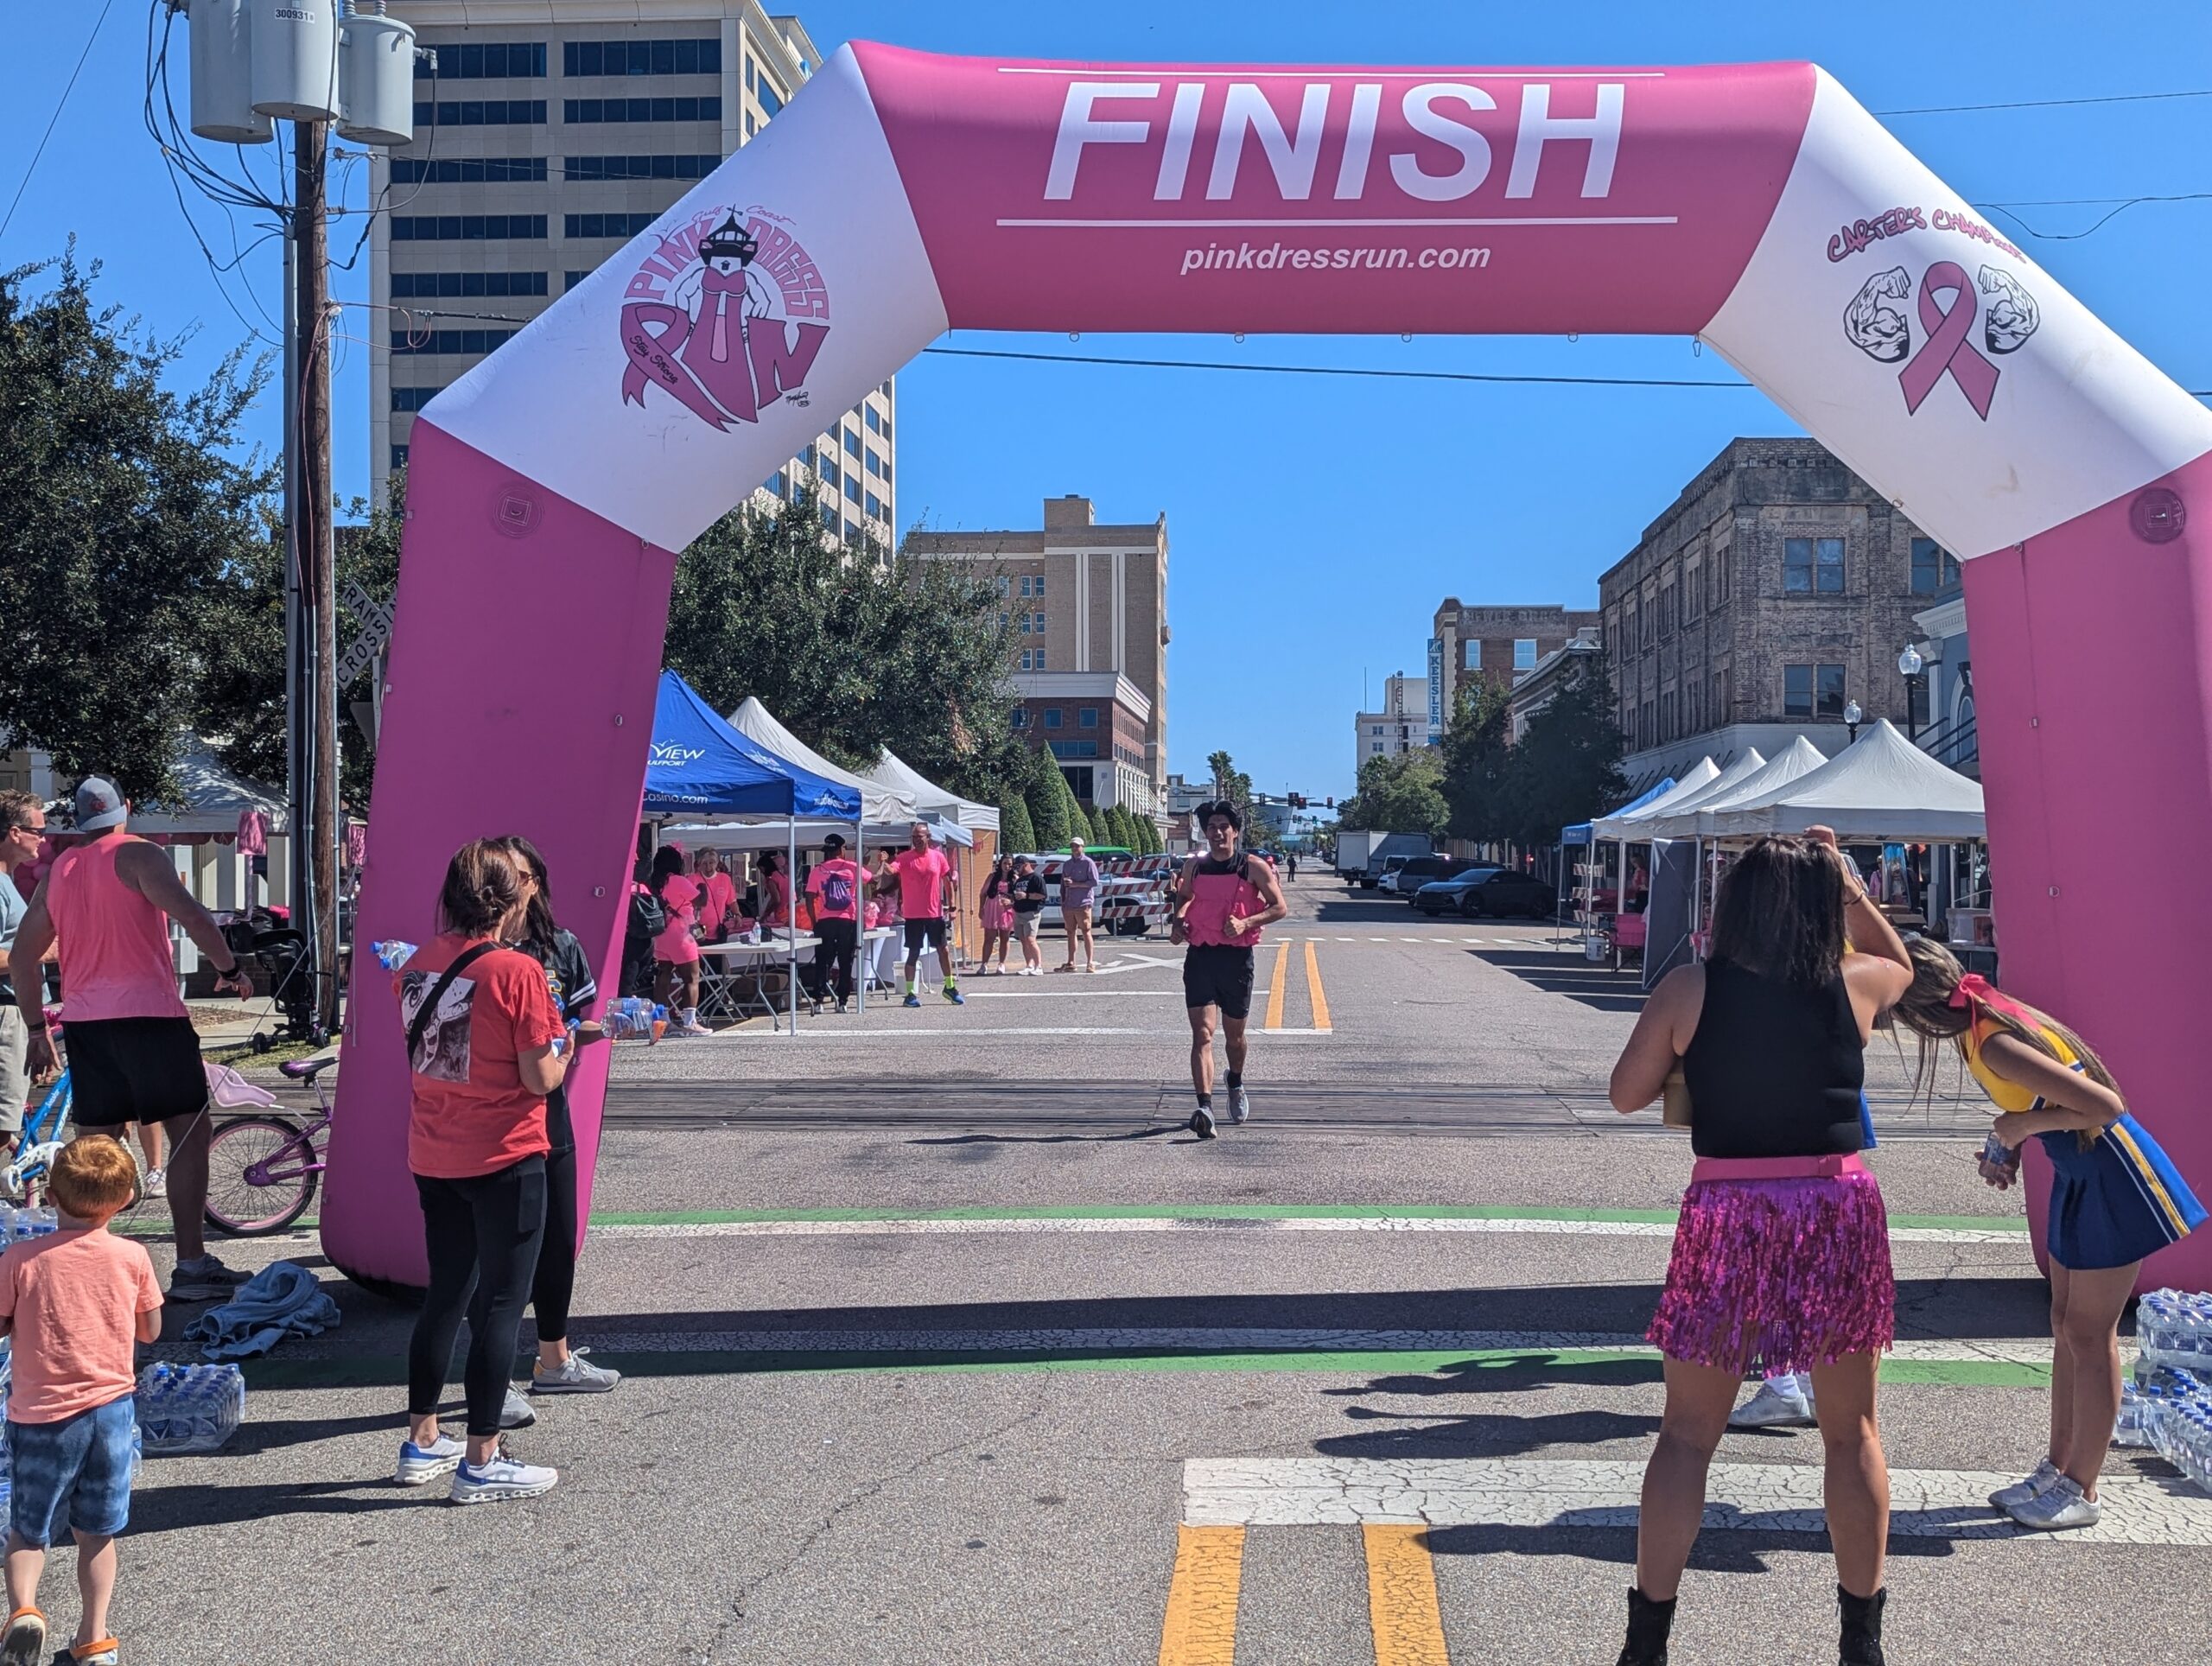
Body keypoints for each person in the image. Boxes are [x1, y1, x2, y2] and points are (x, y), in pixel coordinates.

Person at [1605, 827, 1913, 1666]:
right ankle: (1860, 1637)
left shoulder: (1690, 987)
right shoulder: (1850, 984)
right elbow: (1905, 965)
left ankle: (1647, 1638)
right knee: (1849, 1432)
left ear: (1734, 905)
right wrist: (1846, 877)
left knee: (1686, 1433)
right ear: (1821, 908)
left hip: (1728, 1206)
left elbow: (1626, 1093)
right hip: (1832, 1203)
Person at [1890, 938, 2205, 1531]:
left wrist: (2020, 1125)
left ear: (1918, 1012)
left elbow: (2104, 1105)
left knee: (2091, 1336)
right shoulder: (1981, 1020)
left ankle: (2082, 1487)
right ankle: (2058, 1468)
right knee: (2066, 1327)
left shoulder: (1997, 1040)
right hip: (2079, 1170)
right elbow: (2037, 1105)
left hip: (2112, 1174)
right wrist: (2007, 1142)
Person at [5, 779, 254, 1302]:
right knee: (188, 1130)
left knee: (94, 1148)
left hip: (87, 1025)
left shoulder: (59, 871)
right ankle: (190, 1264)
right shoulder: (141, 855)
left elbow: (24, 958)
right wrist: (230, 968)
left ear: (76, 820)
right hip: (150, 1017)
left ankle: (75, 1264)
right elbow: (192, 914)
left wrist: (35, 1029)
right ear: (127, 809)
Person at [394, 839, 566, 1505]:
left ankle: (421, 1440)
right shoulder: (515, 970)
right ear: (510, 898)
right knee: (500, 1305)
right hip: (505, 1153)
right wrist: (566, 1051)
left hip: (434, 1152)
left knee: (446, 1295)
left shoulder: (413, 966)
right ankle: (482, 1456)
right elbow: (538, 1074)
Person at [0, 1135, 161, 1666]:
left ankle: (25, 1610)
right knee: (98, 1532)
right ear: (124, 1200)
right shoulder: (133, 1256)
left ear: (50, 1194)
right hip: (110, 1415)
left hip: (41, 1415)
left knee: (29, 1528)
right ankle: (94, 1638)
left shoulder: (20, 1259)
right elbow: (151, 1331)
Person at [496, 838, 621, 1418]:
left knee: (558, 1237)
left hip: (549, 1109)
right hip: (490, 1118)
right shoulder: (476, 949)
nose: (507, 887)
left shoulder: (560, 947)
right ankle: (490, 1378)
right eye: (497, 876)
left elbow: (581, 1018)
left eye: (517, 876)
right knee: (495, 1251)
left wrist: (598, 1028)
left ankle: (554, 1360)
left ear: (536, 883)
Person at [1167, 802, 1287, 1139]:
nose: (1217, 833)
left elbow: (1280, 907)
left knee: (1234, 1038)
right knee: (1202, 1034)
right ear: (1205, 832)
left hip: (1236, 959)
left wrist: (1247, 921)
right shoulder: (1195, 867)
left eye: (1223, 826)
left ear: (1235, 831)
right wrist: (1179, 921)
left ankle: (1234, 1081)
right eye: (1211, 827)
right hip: (1201, 956)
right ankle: (1204, 1107)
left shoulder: (1253, 867)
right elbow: (1185, 897)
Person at [0, 792, 48, 1150]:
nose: (43, 839)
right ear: (15, 833)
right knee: (2, 1126)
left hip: (15, 1011)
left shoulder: (8, 882)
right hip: (4, 1012)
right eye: (38, 831)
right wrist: (46, 951)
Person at [884, 822, 961, 1008]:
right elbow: (891, 870)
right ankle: (910, 993)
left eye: (920, 836)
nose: (917, 840)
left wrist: (952, 906)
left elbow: (947, 881)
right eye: (914, 837)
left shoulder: (938, 857)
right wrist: (883, 861)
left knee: (943, 949)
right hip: (913, 914)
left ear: (928, 837)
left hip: (934, 912)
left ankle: (949, 987)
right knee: (913, 952)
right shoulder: (904, 858)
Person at [647, 846, 710, 1036]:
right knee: (691, 978)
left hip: (660, 934)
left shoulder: (654, 882)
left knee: (662, 978)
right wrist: (702, 886)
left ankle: (663, 1021)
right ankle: (689, 1022)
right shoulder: (678, 880)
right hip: (681, 934)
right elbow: (701, 901)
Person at [803, 835, 862, 1014]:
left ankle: (819, 1000)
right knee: (846, 961)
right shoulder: (853, 868)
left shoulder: (817, 870)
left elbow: (809, 897)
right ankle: (842, 1001)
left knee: (823, 961)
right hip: (847, 919)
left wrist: (815, 921)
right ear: (841, 850)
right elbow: (873, 878)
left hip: (825, 921)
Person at [1055, 837, 1102, 974]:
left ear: (1083, 847)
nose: (1075, 848)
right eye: (1073, 846)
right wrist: (1063, 901)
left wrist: (1076, 884)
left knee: (1086, 931)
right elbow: (1063, 884)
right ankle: (1071, 962)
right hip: (1069, 903)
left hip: (1083, 902)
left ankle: (1090, 962)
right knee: (1070, 933)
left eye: (1077, 846)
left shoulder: (1088, 863)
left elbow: (1094, 882)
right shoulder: (1067, 864)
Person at [977, 853, 1017, 975]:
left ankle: (1001, 964)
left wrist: (1011, 900)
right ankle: (984, 964)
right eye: (1005, 863)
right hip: (992, 907)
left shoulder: (1015, 878)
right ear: (1000, 864)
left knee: (1005, 938)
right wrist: (981, 908)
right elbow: (983, 893)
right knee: (989, 937)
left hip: (1007, 909)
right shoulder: (992, 877)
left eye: (1009, 864)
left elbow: (1018, 895)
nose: (1007, 866)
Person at [1009, 855, 1047, 976]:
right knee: (1023, 940)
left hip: (1032, 913)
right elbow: (1015, 895)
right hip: (1019, 912)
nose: (1016, 869)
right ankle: (1029, 965)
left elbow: (1042, 895)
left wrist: (1026, 895)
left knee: (1031, 940)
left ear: (1026, 864)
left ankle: (1038, 966)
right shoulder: (1019, 879)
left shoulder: (1036, 878)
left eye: (1018, 866)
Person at [692, 848, 736, 943]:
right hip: (697, 928)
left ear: (717, 863)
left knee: (717, 956)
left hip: (717, 930)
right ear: (699, 864)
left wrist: (738, 915)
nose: (708, 868)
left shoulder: (725, 879)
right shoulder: (692, 879)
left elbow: (732, 901)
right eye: (704, 864)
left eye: (711, 863)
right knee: (699, 956)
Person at [755, 850, 793, 931]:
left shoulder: (771, 879)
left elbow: (776, 900)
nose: (761, 872)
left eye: (761, 869)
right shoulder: (783, 876)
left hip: (782, 913)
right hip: (791, 911)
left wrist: (766, 914)